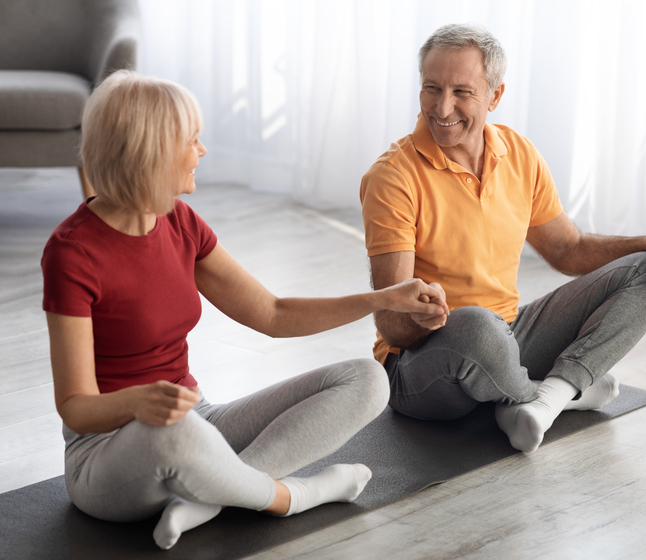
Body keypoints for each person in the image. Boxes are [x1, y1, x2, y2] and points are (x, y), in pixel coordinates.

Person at [41, 70, 449, 550]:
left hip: (198, 423)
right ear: (149, 151)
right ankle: (291, 496)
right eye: (192, 140)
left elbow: (272, 313)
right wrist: (136, 403)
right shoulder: (73, 252)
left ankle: (210, 496)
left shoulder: (181, 222)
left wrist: (383, 299)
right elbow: (75, 408)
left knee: (367, 379)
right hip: (109, 453)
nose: (202, 151)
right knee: (174, 436)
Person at [360, 23, 646, 455]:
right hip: (420, 365)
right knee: (476, 323)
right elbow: (390, 325)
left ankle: (546, 398)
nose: (442, 107)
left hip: (508, 338)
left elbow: (568, 249)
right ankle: (558, 394)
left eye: (462, 92)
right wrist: (422, 317)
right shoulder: (393, 177)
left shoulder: (518, 154)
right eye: (431, 88)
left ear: (495, 96)